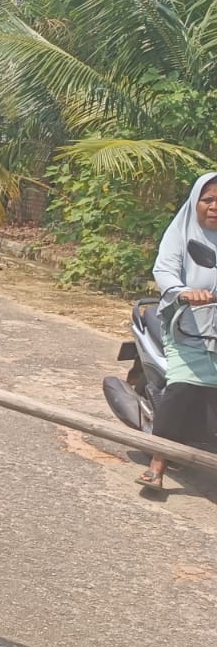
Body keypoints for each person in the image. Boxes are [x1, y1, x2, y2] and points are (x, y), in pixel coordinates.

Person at [138, 171, 217, 496]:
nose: (214, 207)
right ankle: (157, 465)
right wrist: (184, 291)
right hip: (186, 327)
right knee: (183, 388)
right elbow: (164, 269)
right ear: (195, 202)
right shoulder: (181, 234)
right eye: (208, 199)